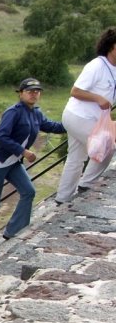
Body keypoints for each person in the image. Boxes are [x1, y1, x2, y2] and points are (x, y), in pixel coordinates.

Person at [0, 79, 65, 259]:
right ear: (20, 93)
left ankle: (14, 231)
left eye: (37, 91)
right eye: (30, 91)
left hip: (12, 163)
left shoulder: (36, 113)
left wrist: (73, 122)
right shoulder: (13, 113)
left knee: (28, 191)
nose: (34, 94)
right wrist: (23, 151)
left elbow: (51, 126)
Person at [56, 28, 116, 203]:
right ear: (112, 46)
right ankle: (87, 185)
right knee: (107, 147)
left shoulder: (114, 69)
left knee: (76, 157)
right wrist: (98, 98)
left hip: (92, 119)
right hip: (78, 116)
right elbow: (75, 91)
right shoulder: (97, 66)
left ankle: (63, 198)